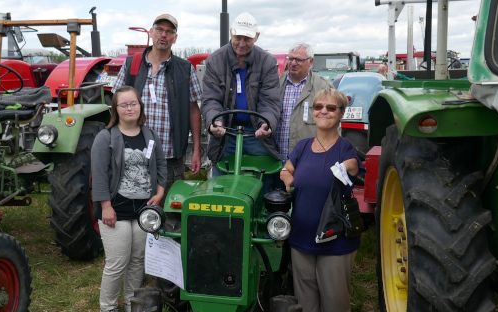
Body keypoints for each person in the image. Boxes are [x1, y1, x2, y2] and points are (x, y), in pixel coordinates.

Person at [279, 87, 363, 312]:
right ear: (312, 112)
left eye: (331, 108)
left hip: (334, 233)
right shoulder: (303, 147)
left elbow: (353, 167)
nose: (323, 111)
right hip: (302, 230)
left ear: (341, 114)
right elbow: (286, 169)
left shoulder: (345, 147)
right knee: (305, 285)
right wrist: (287, 176)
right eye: (318, 107)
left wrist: (349, 167)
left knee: (335, 287)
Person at [91, 86, 167, 312]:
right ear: (116, 109)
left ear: (140, 106)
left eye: (133, 103)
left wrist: (161, 191)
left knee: (138, 260)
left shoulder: (149, 135)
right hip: (116, 208)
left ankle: (132, 303)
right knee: (117, 261)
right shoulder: (106, 137)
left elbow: (161, 164)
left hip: (143, 209)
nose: (129, 108)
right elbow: (99, 174)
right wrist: (105, 206)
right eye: (124, 105)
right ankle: (108, 308)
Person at [113, 14, 202, 199]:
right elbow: (116, 104)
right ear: (151, 32)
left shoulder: (185, 69)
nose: (164, 35)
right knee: (133, 204)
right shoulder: (132, 65)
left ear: (175, 38)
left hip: (170, 155)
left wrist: (196, 150)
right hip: (133, 152)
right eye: (160, 29)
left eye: (169, 32)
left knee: (170, 208)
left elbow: (194, 110)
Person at [201, 12, 281, 176]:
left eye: (248, 39)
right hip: (226, 133)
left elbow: (270, 101)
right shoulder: (215, 61)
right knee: (220, 180)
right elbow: (211, 100)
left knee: (263, 181)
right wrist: (215, 121)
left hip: (255, 133)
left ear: (257, 37)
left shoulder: (267, 62)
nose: (242, 43)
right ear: (231, 33)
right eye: (238, 37)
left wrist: (265, 124)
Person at [275, 42, 334, 163]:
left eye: (299, 60)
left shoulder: (323, 87)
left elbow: (333, 127)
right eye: (291, 58)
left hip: (308, 163)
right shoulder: (275, 84)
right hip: (275, 162)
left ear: (311, 62)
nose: (293, 63)